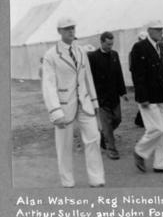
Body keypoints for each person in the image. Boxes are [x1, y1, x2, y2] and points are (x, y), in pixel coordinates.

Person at [41, 17, 105, 188]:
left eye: (72, 28)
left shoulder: (80, 51)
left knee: (93, 138)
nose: (71, 31)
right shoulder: (51, 55)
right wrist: (55, 111)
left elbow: (88, 78)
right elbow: (48, 85)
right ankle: (67, 182)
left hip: (85, 103)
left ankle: (96, 179)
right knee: (64, 146)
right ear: (59, 31)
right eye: (67, 28)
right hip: (63, 106)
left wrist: (95, 104)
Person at [130, 20, 163, 173]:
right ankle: (140, 151)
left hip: (161, 95)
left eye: (161, 30)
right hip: (148, 97)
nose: (160, 32)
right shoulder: (139, 48)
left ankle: (160, 164)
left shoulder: (161, 49)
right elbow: (138, 74)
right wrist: (142, 96)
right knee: (156, 129)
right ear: (149, 30)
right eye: (157, 30)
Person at [87, 31, 128, 160]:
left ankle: (103, 135)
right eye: (108, 44)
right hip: (101, 97)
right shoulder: (93, 57)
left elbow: (119, 75)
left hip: (114, 95)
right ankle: (112, 149)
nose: (110, 46)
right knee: (107, 124)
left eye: (112, 44)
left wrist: (123, 92)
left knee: (117, 119)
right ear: (102, 42)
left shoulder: (114, 55)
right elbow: (89, 78)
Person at [132, 31, 148, 128]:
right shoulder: (135, 49)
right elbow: (133, 68)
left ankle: (139, 120)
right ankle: (140, 120)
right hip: (139, 80)